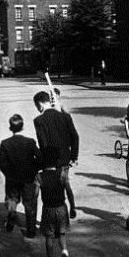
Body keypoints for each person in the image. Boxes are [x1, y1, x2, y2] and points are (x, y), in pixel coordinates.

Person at [33, 90, 79, 220]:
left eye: (37, 106)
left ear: (40, 104)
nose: (37, 109)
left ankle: (52, 217)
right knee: (65, 183)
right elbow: (75, 137)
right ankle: (72, 207)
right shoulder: (65, 117)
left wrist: (43, 161)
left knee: (51, 188)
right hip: (65, 158)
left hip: (50, 160)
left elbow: (43, 143)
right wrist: (74, 157)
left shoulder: (39, 120)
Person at [0, 114, 41, 238]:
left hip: (12, 179)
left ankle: (12, 214)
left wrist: (8, 173)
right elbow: (39, 158)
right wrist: (34, 170)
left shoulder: (5, 143)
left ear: (10, 127)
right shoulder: (30, 142)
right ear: (22, 127)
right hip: (28, 179)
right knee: (30, 204)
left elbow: (1, 162)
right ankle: (31, 231)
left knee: (12, 199)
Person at [37, 150, 75, 257]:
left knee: (49, 236)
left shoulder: (39, 176)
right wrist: (73, 207)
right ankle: (64, 254)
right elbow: (69, 192)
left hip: (48, 209)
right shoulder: (62, 174)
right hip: (61, 208)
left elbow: (35, 195)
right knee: (62, 234)